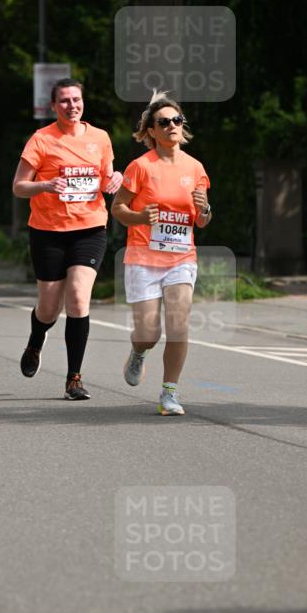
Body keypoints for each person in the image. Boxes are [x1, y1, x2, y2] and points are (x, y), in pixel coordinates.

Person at [12, 79, 122, 399]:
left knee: (77, 297)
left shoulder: (100, 138)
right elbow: (19, 186)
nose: (71, 106)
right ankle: (36, 341)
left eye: (76, 100)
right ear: (53, 106)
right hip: (48, 231)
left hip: (89, 227)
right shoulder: (41, 139)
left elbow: (107, 179)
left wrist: (116, 178)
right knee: (48, 308)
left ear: (83, 103)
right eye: (64, 101)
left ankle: (74, 378)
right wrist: (45, 186)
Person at [111, 91, 212, 416]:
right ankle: (138, 351)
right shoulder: (140, 167)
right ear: (151, 131)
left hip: (181, 258)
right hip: (143, 257)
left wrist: (205, 208)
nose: (172, 125)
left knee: (179, 324)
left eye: (176, 120)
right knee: (148, 333)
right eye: (163, 122)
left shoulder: (195, 168)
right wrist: (140, 217)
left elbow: (203, 220)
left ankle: (169, 393)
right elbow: (118, 208)